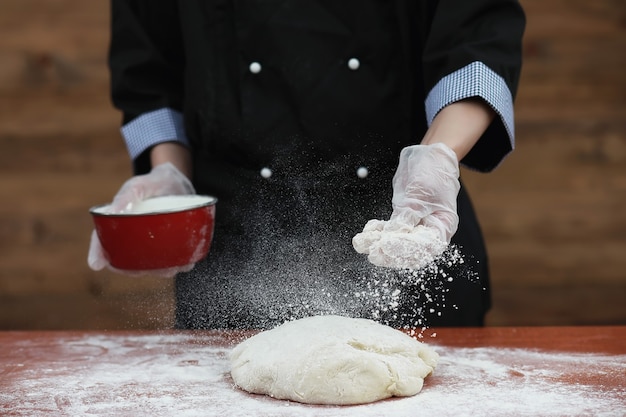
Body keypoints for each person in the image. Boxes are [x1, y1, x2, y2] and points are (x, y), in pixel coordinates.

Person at [89, 0, 526, 329]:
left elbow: (479, 36)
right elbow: (148, 73)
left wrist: (437, 156)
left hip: (407, 228)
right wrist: (170, 173)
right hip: (236, 253)